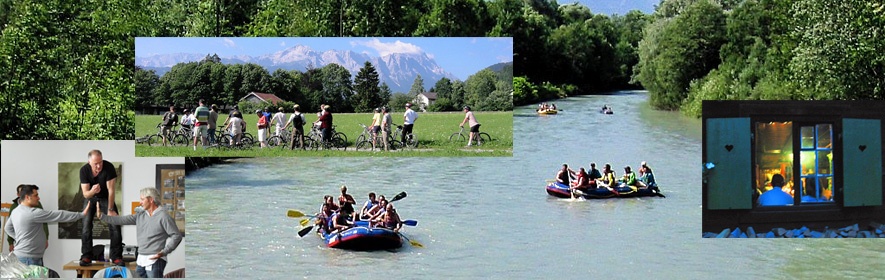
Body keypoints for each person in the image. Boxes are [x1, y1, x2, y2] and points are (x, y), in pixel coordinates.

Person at [98, 188, 182, 278]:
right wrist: (102, 216)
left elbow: (177, 236)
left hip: (155, 260)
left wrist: (165, 251)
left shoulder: (163, 217)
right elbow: (122, 220)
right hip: (141, 259)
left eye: (142, 199)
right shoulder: (141, 215)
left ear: (151, 200)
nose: (140, 202)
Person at [5, 185, 93, 266]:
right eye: (36, 195)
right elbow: (59, 215)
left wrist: (19, 238)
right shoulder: (32, 213)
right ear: (27, 197)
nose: (38, 198)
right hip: (29, 259)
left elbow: (7, 228)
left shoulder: (16, 211)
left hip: (24, 257)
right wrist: (81, 214)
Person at [79, 149, 123, 266]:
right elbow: (85, 194)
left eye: (100, 162)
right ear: (89, 162)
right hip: (90, 198)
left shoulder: (109, 167)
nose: (99, 166)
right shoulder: (84, 170)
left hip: (106, 198)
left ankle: (116, 256)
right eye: (95, 164)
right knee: (86, 226)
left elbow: (111, 190)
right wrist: (92, 191)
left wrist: (110, 210)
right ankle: (86, 255)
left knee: (114, 225)